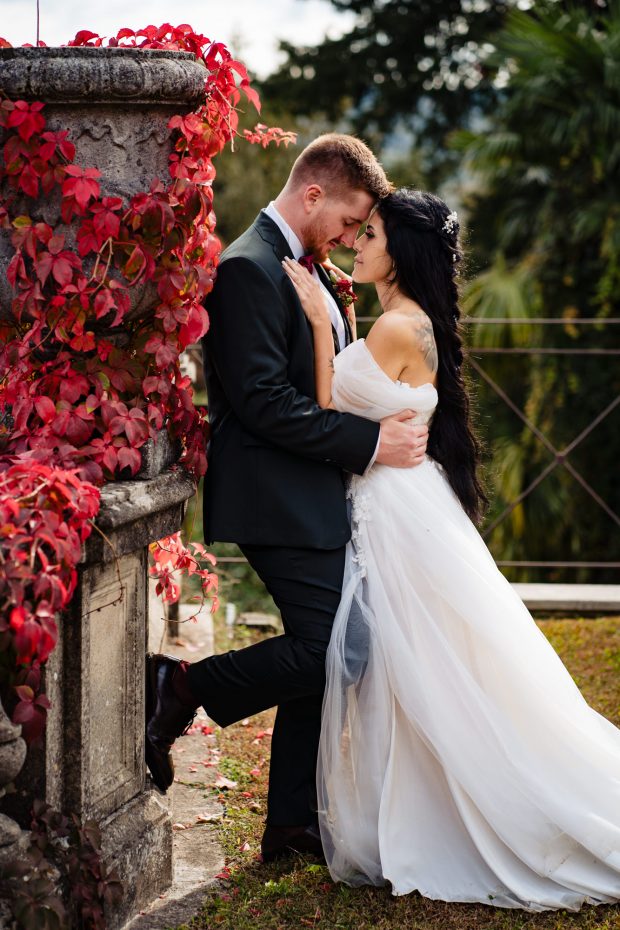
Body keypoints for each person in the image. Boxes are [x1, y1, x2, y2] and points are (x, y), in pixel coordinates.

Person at [283, 188, 620, 911]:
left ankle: (465, 810)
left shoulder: (395, 333)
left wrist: (319, 326)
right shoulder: (404, 322)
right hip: (408, 503)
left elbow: (322, 414)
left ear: (401, 250)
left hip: (396, 514)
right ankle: (414, 804)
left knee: (427, 667)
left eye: (368, 235)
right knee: (427, 665)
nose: (356, 246)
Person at [144, 136, 430, 863]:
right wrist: (370, 447)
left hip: (312, 492)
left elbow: (320, 380)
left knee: (335, 647)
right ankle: (179, 686)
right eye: (349, 219)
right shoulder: (246, 269)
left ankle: (291, 827)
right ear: (313, 196)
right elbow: (263, 403)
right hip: (274, 495)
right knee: (340, 647)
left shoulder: (308, 268)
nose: (350, 236)